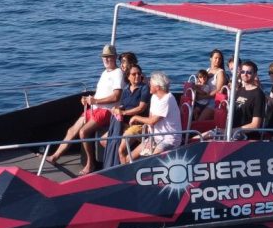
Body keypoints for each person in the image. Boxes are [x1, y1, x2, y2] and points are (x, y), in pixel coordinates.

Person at [46, 43, 124, 174]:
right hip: (95, 108)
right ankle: (54, 156)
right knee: (72, 130)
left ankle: (90, 164)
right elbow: (101, 93)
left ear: (115, 57)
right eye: (104, 57)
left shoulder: (118, 73)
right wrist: (89, 99)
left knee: (83, 132)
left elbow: (116, 96)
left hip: (106, 111)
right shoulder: (105, 73)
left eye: (109, 57)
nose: (106, 59)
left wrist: (95, 101)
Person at [121, 72, 183, 163]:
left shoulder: (167, 99)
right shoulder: (154, 97)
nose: (148, 84)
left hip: (169, 139)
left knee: (150, 161)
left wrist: (136, 117)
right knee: (128, 159)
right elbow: (150, 118)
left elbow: (152, 121)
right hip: (155, 137)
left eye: (151, 83)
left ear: (157, 87)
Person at [231, 59, 265, 138]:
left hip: (246, 136)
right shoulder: (239, 91)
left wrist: (232, 131)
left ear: (255, 74)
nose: (245, 74)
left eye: (249, 72)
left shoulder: (258, 95)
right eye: (243, 72)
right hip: (233, 134)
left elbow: (255, 125)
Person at [196, 49, 228, 121]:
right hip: (204, 98)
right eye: (215, 58)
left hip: (213, 101)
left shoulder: (220, 72)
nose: (217, 60)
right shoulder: (207, 70)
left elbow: (218, 90)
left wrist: (203, 97)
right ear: (211, 58)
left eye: (219, 59)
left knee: (200, 120)